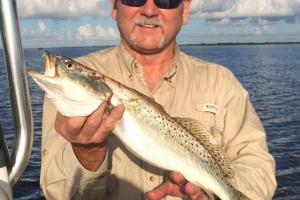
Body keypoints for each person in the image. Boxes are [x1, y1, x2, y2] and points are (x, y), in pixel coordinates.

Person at [40, 0, 277, 199]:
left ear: (185, 10)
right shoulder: (67, 90)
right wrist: (86, 153)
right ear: (113, 6)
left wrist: (214, 195)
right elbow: (55, 190)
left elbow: (257, 164)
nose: (150, 10)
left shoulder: (222, 82)